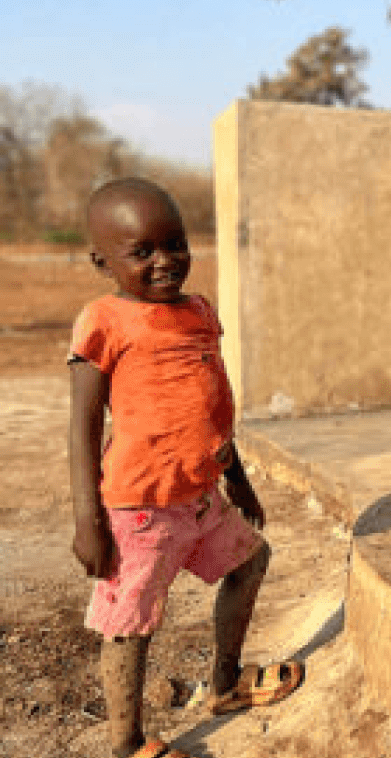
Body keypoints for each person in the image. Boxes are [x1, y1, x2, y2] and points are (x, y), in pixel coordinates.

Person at [69, 178, 303, 758]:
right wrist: (87, 520)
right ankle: (126, 743)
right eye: (141, 252)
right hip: (138, 508)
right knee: (131, 623)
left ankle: (224, 685)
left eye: (175, 244)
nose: (165, 261)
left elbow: (212, 403)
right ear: (102, 260)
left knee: (252, 561)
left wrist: (238, 477)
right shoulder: (104, 320)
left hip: (200, 495)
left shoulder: (199, 313)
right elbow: (81, 426)